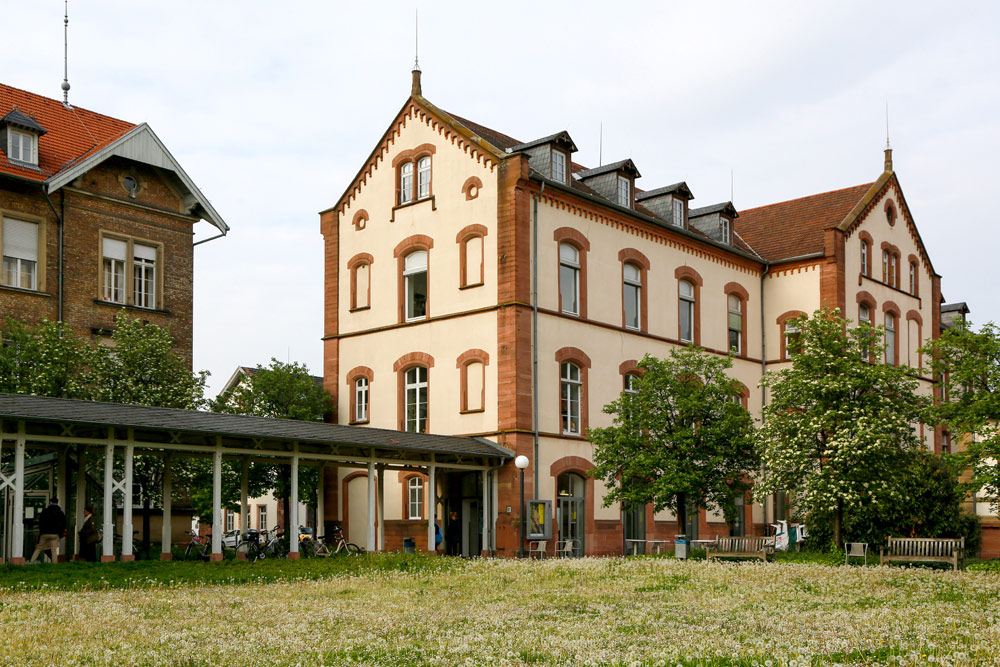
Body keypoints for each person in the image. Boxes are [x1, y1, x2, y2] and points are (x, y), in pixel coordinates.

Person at [29, 497, 66, 564]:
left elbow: (40, 522)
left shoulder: (45, 511)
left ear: (50, 503)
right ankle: (54, 565)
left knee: (38, 548)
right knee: (53, 550)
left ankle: (31, 562)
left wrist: (42, 531)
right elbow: (63, 524)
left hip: (44, 533)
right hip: (55, 534)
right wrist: (59, 533)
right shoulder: (60, 513)